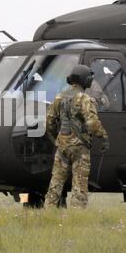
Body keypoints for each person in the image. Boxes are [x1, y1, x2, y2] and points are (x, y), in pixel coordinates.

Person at [44, 65, 109, 208]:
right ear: (84, 79)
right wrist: (103, 137)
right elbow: (93, 123)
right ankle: (77, 215)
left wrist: (57, 138)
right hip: (80, 148)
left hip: (62, 146)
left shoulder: (59, 97)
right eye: (90, 78)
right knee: (79, 184)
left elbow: (49, 122)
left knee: (56, 183)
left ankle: (48, 211)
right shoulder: (85, 98)